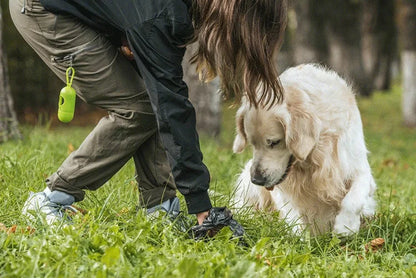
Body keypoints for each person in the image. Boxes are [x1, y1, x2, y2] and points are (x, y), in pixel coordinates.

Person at [10, 0, 287, 229]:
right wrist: (201, 205)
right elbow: (171, 106)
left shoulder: (178, 12)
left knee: (150, 97)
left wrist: (124, 34)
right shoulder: (162, 15)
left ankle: (160, 208)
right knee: (139, 107)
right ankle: (51, 199)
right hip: (43, 9)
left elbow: (163, 88)